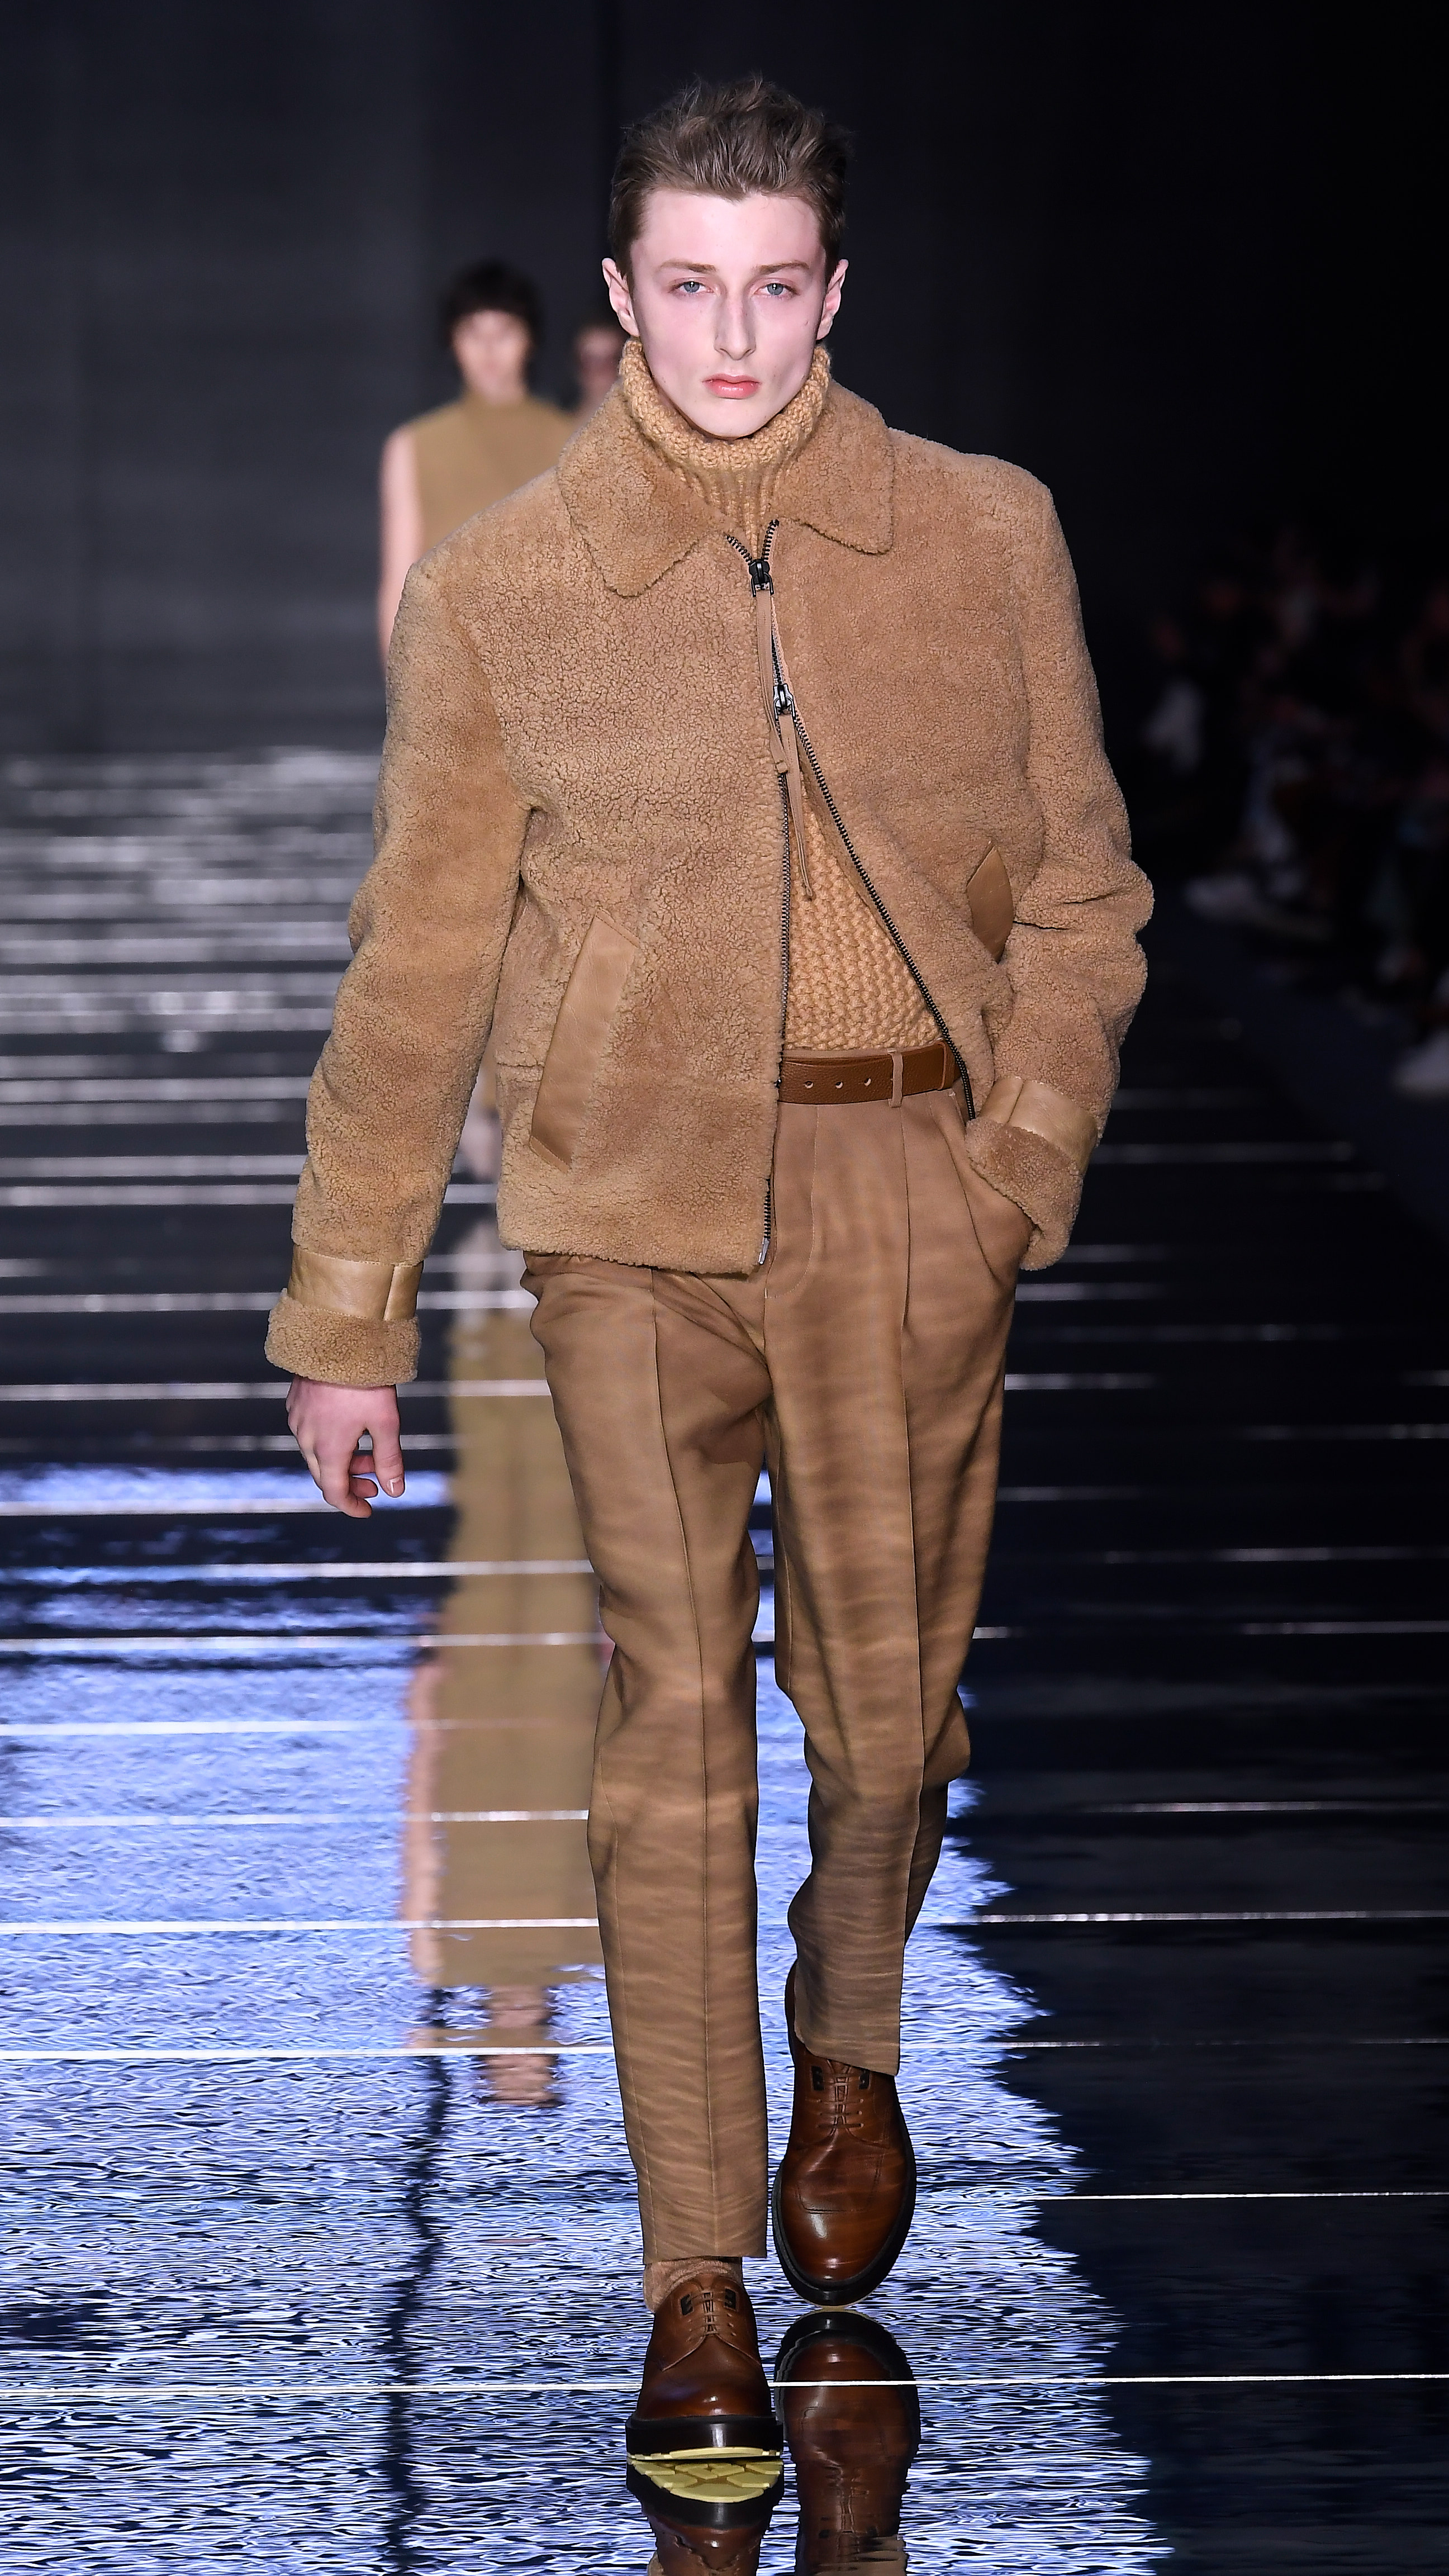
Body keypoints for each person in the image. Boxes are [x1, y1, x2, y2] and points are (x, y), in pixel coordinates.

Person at [270, 73, 1149, 2511]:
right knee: (668, 1724)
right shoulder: (509, 590)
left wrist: (1015, 1169)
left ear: (834, 288)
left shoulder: (976, 536)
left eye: (773, 286)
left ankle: (845, 2034)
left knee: (883, 1729)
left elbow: (1083, 894)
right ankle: (691, 2281)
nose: (733, 336)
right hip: (624, 1219)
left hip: (906, 1194)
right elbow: (416, 962)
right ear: (618, 298)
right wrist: (343, 1310)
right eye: (688, 287)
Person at [377, 259, 572, 657]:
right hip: (447, 662)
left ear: (530, 339)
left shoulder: (575, 442)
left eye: (504, 332)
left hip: (552, 661)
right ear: (452, 341)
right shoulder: (413, 445)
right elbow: (399, 580)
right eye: (473, 332)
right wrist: (401, 682)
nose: (489, 349)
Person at [572, 309, 628, 415]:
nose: (602, 372)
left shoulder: (649, 421)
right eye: (592, 361)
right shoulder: (552, 423)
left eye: (613, 360)